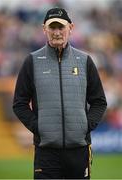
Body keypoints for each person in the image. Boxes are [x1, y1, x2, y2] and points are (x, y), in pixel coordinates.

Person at [13, 7, 107, 179]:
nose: (57, 32)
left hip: (79, 151)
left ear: (70, 28)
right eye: (52, 27)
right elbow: (19, 103)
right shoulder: (32, 61)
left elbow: (99, 101)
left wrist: (86, 126)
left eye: (61, 27)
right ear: (44, 29)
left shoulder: (85, 60)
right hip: (46, 153)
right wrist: (38, 127)